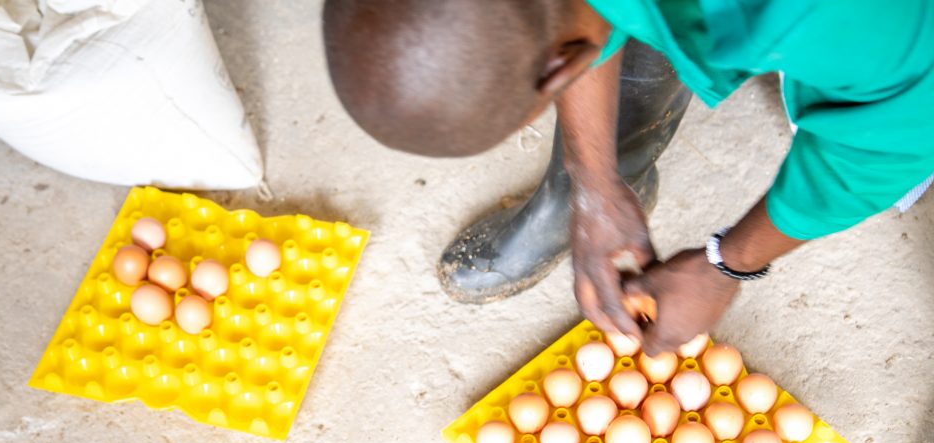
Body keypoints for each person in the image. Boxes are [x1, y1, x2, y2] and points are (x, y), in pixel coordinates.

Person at [321, 0, 934, 358]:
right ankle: (608, 179)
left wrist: (729, 263)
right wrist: (593, 181)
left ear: (562, 64)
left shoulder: (837, 21)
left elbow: (887, 143)